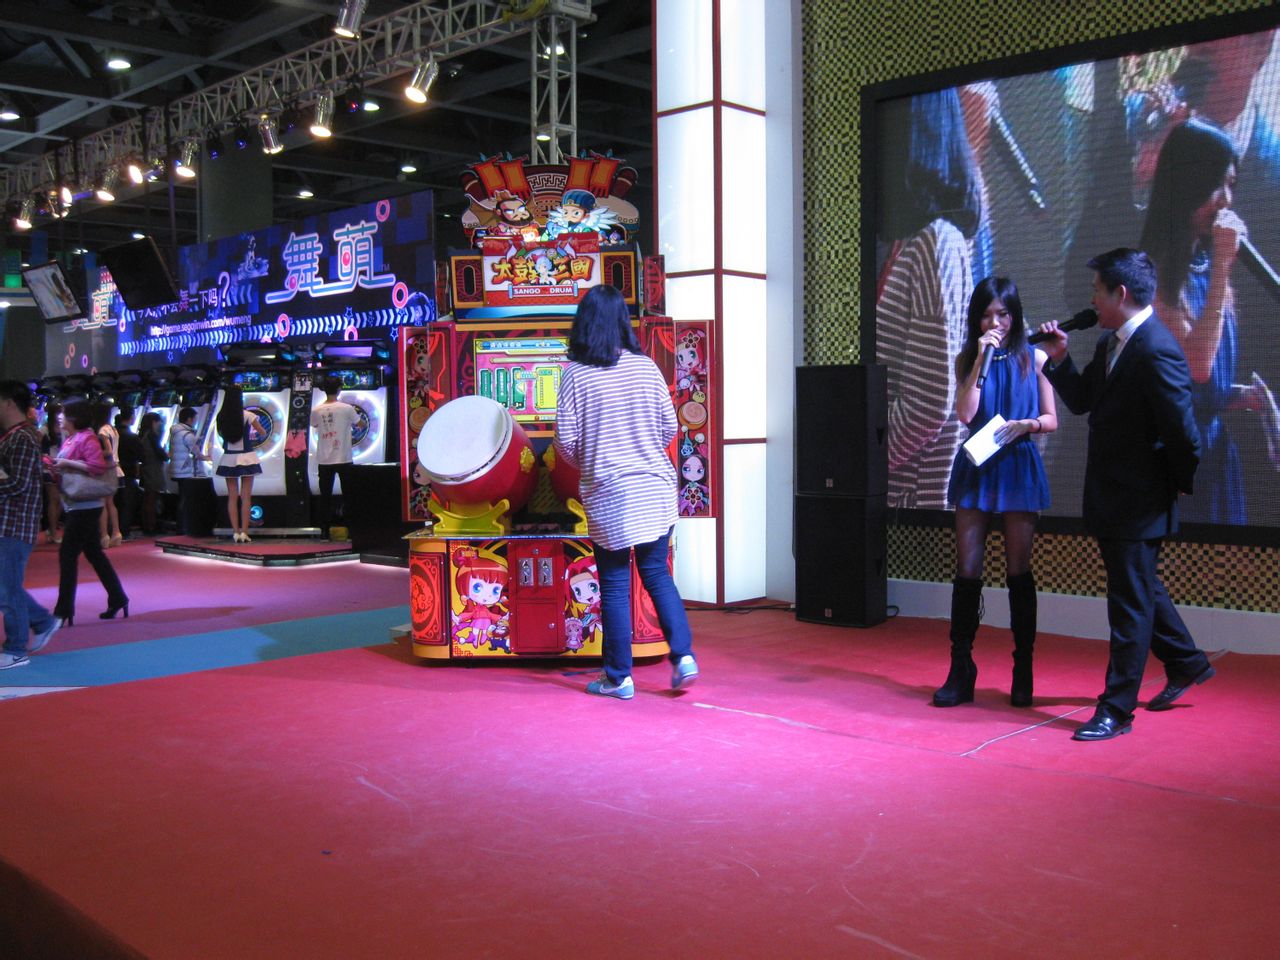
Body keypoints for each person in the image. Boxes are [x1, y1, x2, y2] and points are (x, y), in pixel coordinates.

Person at [1040, 248, 1214, 741]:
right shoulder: (1110, 343)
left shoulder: (1156, 348)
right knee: (1140, 589)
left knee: (1128, 606)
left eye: (1096, 290)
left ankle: (1116, 710)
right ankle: (1186, 663)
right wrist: (1059, 358)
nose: (1091, 299)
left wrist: (1169, 488)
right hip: (1113, 496)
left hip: (1139, 501)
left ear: (1119, 294)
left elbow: (1185, 436)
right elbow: (1083, 402)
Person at [554, 284, 698, 699]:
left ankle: (619, 678)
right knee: (657, 574)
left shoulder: (575, 375)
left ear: (583, 323)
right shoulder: (645, 367)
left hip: (609, 492)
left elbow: (565, 443)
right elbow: (669, 428)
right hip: (655, 487)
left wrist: (593, 460)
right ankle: (684, 656)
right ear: (622, 322)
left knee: (615, 583)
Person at [1139, 117, 1277, 524]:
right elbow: (1196, 366)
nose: (1225, 200)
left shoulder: (1203, 265)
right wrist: (1221, 267)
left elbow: (1201, 380)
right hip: (1174, 460)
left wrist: (1239, 396)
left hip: (1214, 453)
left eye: (1231, 185)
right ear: (1188, 184)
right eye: (1217, 185)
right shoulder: (1151, 273)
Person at [935, 277, 1058, 708]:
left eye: (1003, 314)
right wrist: (979, 361)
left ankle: (1023, 667)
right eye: (987, 315)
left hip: (1018, 464)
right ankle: (960, 667)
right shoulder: (968, 358)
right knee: (967, 569)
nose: (995, 323)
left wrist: (1028, 425)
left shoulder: (1035, 357)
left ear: (1015, 315)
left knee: (1018, 570)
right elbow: (965, 413)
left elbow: (1051, 418)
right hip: (977, 465)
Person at [875, 89, 983, 508]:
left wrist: (861, 463)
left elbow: (927, 407)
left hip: (911, 504)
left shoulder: (935, 241)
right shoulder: (915, 240)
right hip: (896, 496)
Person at [49, 400, 130, 625]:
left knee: (68, 555)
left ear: (74, 416)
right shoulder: (73, 438)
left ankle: (64, 609)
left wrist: (66, 463)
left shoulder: (87, 438)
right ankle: (118, 597)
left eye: (63, 413)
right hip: (79, 503)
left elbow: (96, 467)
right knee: (94, 553)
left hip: (85, 504)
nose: (59, 417)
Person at [0, 381, 62, 669]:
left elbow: (20, 484)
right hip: (10, 523)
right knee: (6, 586)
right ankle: (42, 621)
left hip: (13, 525)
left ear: (9, 403)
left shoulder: (22, 438)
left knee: (7, 589)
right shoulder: (15, 437)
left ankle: (16, 648)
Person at [309, 376, 358, 539]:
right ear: (339, 389)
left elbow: (314, 424)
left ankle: (324, 530)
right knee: (349, 495)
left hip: (324, 459)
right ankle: (351, 529)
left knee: (325, 496)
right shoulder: (347, 408)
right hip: (344, 458)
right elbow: (361, 423)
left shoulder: (316, 410)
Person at [215, 385, 262, 543]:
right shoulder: (248, 415)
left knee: (232, 497)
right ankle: (244, 532)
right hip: (247, 457)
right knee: (246, 497)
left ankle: (235, 532)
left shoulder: (221, 416)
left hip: (228, 458)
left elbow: (221, 435)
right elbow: (262, 432)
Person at [168, 407, 205, 535]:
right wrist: (209, 457)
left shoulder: (175, 432)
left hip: (177, 470)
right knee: (186, 500)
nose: (195, 421)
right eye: (195, 418)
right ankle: (184, 526)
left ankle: (181, 526)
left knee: (181, 498)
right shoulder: (188, 435)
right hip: (186, 471)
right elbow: (197, 454)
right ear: (189, 419)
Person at [93, 400, 123, 548]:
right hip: (116, 469)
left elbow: (108, 451)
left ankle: (104, 535)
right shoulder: (113, 429)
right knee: (111, 503)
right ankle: (116, 533)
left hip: (106, 468)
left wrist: (92, 453)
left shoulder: (102, 431)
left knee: (102, 503)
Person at [137, 412, 169, 535]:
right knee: (151, 499)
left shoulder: (143, 435)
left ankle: (146, 524)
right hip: (153, 470)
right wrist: (167, 454)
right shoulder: (151, 435)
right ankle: (150, 526)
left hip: (146, 469)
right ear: (154, 422)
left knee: (147, 499)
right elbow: (161, 454)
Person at [114, 413, 144, 539]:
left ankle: (113, 529)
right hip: (128, 472)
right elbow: (142, 455)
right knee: (128, 503)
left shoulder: (112, 434)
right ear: (131, 418)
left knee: (114, 502)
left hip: (112, 472)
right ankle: (124, 530)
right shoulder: (132, 436)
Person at [40, 400, 63, 543]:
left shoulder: (64, 428)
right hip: (48, 467)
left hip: (62, 466)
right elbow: (37, 448)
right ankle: (53, 532)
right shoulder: (44, 429)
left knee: (61, 501)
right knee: (54, 499)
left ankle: (51, 529)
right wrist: (45, 460)